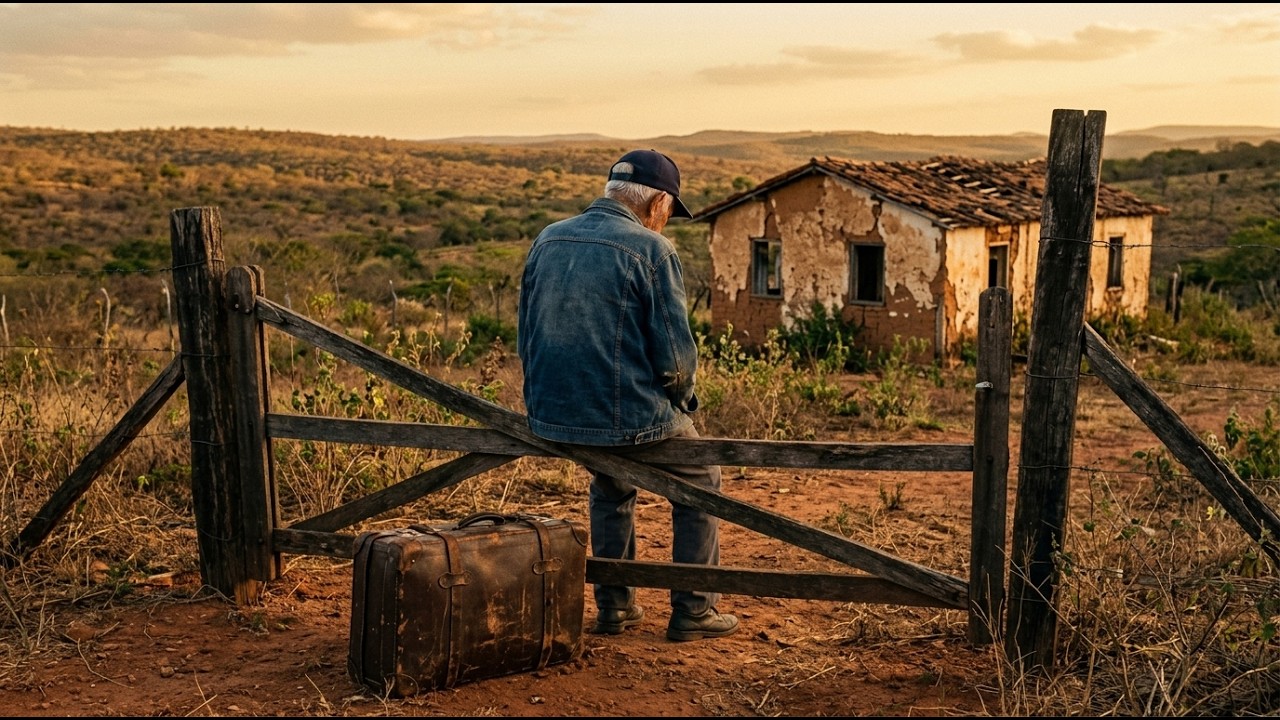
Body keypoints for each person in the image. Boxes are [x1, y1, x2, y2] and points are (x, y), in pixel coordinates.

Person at [516, 149, 739, 643]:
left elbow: (524, 334)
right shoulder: (652, 250)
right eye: (669, 211)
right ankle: (694, 609)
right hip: (626, 419)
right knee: (701, 477)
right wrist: (684, 403)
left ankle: (615, 608)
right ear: (658, 201)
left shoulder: (547, 238)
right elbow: (677, 361)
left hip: (554, 415)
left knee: (610, 483)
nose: (667, 221)